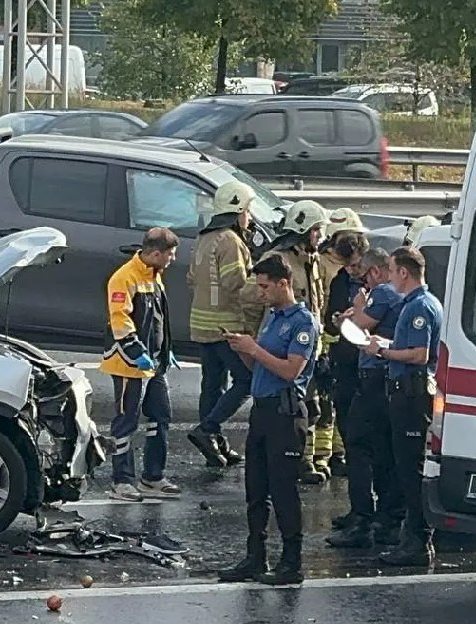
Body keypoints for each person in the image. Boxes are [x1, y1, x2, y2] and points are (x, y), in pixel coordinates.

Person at [218, 254, 319, 586]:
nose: (260, 293)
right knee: (256, 487)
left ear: (283, 284)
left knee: (283, 488)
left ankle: (292, 562)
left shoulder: (302, 322)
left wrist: (255, 349)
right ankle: (255, 557)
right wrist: (244, 350)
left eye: (264, 287)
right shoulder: (272, 317)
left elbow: (291, 371)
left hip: (285, 413)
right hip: (262, 409)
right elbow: (259, 368)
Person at [363, 246, 443, 566]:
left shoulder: (420, 306)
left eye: (393, 271)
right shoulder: (416, 303)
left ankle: (418, 540)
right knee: (405, 466)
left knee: (410, 470)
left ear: (405, 273)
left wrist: (382, 353)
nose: (391, 277)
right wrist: (388, 346)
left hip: (411, 395)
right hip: (407, 393)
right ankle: (413, 536)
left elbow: (419, 355)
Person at [327, 247, 405, 548]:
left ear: (375, 272)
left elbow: (356, 328)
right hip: (383, 382)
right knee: (383, 450)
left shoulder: (382, 292)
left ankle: (362, 518)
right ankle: (384, 516)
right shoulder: (394, 296)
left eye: (365, 276)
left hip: (374, 380)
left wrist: (356, 309)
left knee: (358, 446)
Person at [101, 227, 181, 501]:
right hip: (128, 364)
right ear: (156, 253)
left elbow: (159, 318)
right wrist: (136, 351)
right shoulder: (124, 278)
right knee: (126, 422)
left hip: (154, 363)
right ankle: (121, 481)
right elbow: (119, 320)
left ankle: (153, 477)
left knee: (160, 417)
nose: (173, 259)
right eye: (170, 254)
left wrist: (165, 351)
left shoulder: (154, 275)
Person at [255, 200, 331, 484]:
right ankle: (296, 461)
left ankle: (303, 458)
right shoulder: (279, 260)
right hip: (283, 341)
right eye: (317, 231)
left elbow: (316, 301)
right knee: (292, 405)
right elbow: (259, 302)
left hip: (309, 340)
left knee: (310, 405)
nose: (321, 237)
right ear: (305, 230)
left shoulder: (310, 259)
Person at [187, 180, 261, 468]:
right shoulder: (231, 242)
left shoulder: (204, 238)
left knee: (212, 385)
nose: (250, 217)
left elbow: (192, 279)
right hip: (227, 326)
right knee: (246, 382)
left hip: (202, 325)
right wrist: (258, 280)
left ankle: (214, 444)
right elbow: (236, 285)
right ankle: (208, 429)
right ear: (237, 209)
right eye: (248, 210)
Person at [319, 227, 369, 478]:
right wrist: (338, 319)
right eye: (348, 266)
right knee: (343, 410)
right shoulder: (340, 279)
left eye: (356, 265)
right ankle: (344, 456)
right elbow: (329, 314)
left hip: (369, 362)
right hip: (344, 357)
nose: (352, 271)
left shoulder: (376, 284)